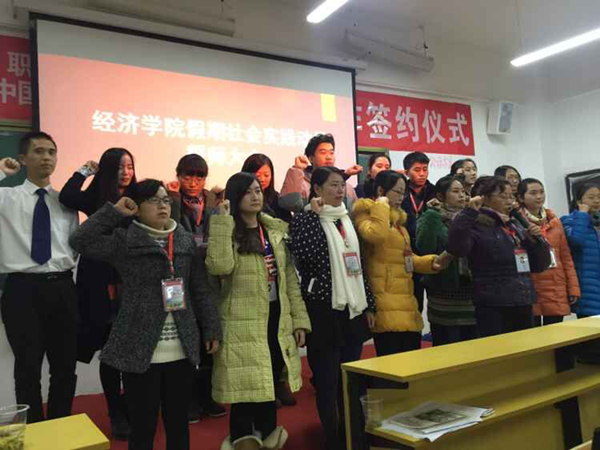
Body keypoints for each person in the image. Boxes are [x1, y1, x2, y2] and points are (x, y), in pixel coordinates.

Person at [69, 179, 221, 450]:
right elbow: (80, 240)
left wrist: (211, 328)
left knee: (178, 424)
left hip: (182, 349)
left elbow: (200, 289)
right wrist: (114, 212)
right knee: (143, 426)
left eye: (165, 200)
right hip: (140, 350)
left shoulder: (183, 239)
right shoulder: (126, 240)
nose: (162, 206)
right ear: (137, 207)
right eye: (153, 200)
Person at [206, 172, 311, 450]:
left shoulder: (273, 230)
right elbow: (219, 267)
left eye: (258, 191)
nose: (255, 196)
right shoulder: (227, 230)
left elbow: (290, 280)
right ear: (235, 197)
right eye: (248, 192)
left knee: (269, 383)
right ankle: (242, 442)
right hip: (241, 321)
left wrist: (299, 320)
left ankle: (268, 439)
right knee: (244, 391)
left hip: (276, 316)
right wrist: (221, 222)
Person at [289, 166, 375, 450]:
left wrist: (369, 304)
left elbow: (359, 267)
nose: (340, 191)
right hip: (323, 311)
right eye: (333, 185)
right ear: (316, 189)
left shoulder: (346, 220)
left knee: (350, 381)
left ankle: (354, 436)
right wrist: (312, 216)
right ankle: (333, 440)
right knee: (327, 382)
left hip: (353, 310)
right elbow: (306, 255)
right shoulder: (304, 221)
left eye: (341, 185)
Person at [0, 131, 79, 423]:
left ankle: (60, 426)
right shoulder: (7, 197)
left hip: (62, 287)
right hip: (22, 290)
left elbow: (75, 244)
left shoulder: (66, 202)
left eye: (51, 152)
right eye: (39, 151)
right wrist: (1, 172)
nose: (46, 157)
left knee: (64, 367)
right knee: (27, 367)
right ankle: (33, 430)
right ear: (23, 158)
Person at [59, 148, 137, 439]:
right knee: (110, 349)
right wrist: (83, 171)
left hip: (131, 278)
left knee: (133, 346)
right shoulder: (96, 196)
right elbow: (67, 196)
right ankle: (116, 412)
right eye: (119, 167)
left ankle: (131, 406)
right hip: (99, 278)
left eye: (130, 166)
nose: (126, 172)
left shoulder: (139, 195)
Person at [447, 176, 551, 337]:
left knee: (526, 346)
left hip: (523, 298)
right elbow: (457, 249)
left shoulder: (515, 224)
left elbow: (539, 265)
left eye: (511, 196)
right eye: (503, 196)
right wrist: (468, 213)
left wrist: (537, 243)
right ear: (486, 199)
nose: (509, 201)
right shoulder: (475, 224)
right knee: (498, 348)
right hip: (493, 303)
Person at [354, 170, 442, 355]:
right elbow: (376, 235)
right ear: (381, 190)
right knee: (391, 357)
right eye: (398, 192)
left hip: (405, 297)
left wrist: (431, 262)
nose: (401, 197)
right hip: (384, 297)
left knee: (411, 356)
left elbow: (405, 258)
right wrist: (381, 205)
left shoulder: (398, 222)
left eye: (404, 193)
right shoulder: (366, 214)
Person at [166, 154, 225, 422]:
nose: (193, 182)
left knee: (209, 336)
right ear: (178, 175)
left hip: (209, 274)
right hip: (179, 273)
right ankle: (186, 400)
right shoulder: (169, 199)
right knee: (184, 336)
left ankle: (207, 396)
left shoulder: (215, 201)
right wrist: (173, 199)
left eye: (199, 177)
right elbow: (169, 229)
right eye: (187, 176)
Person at [416, 175, 478, 345]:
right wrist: (432, 217)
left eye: (463, 191)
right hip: (443, 295)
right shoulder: (431, 217)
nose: (462, 195)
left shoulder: (472, 217)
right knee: (447, 347)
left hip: (471, 295)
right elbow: (425, 247)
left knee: (474, 348)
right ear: (440, 196)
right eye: (455, 191)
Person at [279, 133, 361, 213]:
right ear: (311, 158)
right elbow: (290, 204)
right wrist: (297, 169)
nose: (329, 157)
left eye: (331, 153)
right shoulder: (302, 185)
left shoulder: (347, 188)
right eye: (323, 152)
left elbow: (356, 214)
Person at [401, 151, 436, 314]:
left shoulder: (436, 191)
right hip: (407, 251)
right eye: (417, 170)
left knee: (435, 298)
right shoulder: (400, 192)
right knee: (414, 302)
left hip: (430, 250)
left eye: (425, 169)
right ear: (406, 172)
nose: (422, 174)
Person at [561, 182, 600, 318]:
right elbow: (576, 241)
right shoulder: (568, 220)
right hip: (587, 287)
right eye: (591, 197)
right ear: (579, 201)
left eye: (599, 197)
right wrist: (582, 214)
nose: (596, 201)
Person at [242, 153, 292, 222]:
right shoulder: (240, 198)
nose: (262, 179)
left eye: (266, 175)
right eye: (258, 175)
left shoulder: (277, 199)